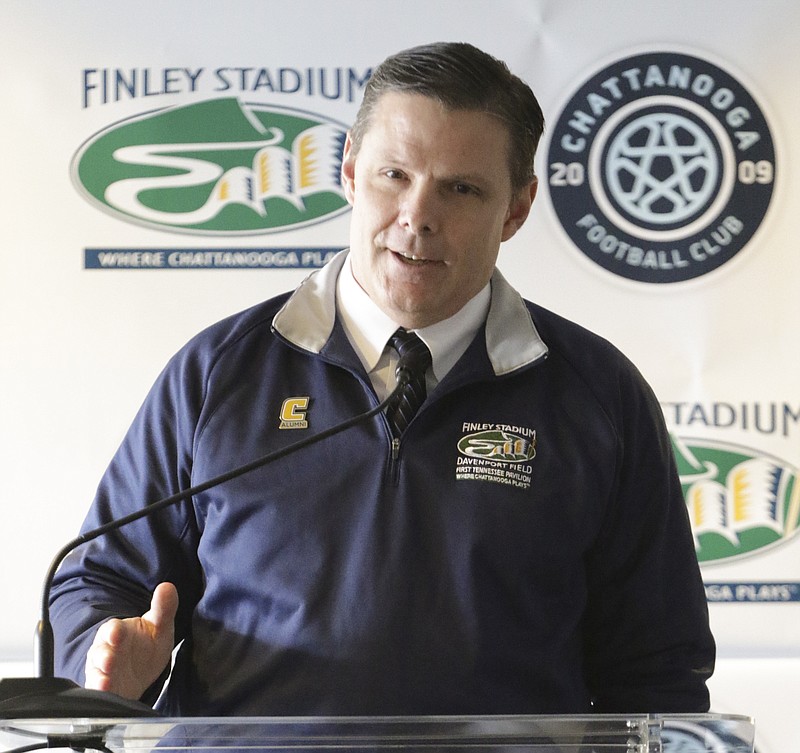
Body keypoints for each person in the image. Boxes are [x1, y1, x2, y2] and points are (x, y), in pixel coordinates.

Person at [50, 41, 715, 715]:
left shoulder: (599, 396)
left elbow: (658, 669)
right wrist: (100, 652)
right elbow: (99, 580)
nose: (417, 216)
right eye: (394, 174)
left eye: (461, 188)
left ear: (515, 209)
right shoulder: (218, 372)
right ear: (348, 171)